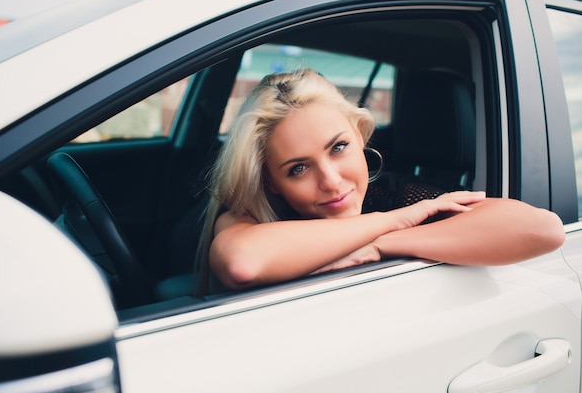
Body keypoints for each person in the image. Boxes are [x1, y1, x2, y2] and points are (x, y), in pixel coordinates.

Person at [195, 68, 565, 295]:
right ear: (271, 181)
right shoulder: (253, 216)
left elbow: (542, 229)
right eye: (298, 168)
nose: (331, 180)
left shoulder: (399, 194)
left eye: (338, 147)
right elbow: (243, 262)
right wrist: (393, 221)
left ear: (360, 136)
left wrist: (379, 246)